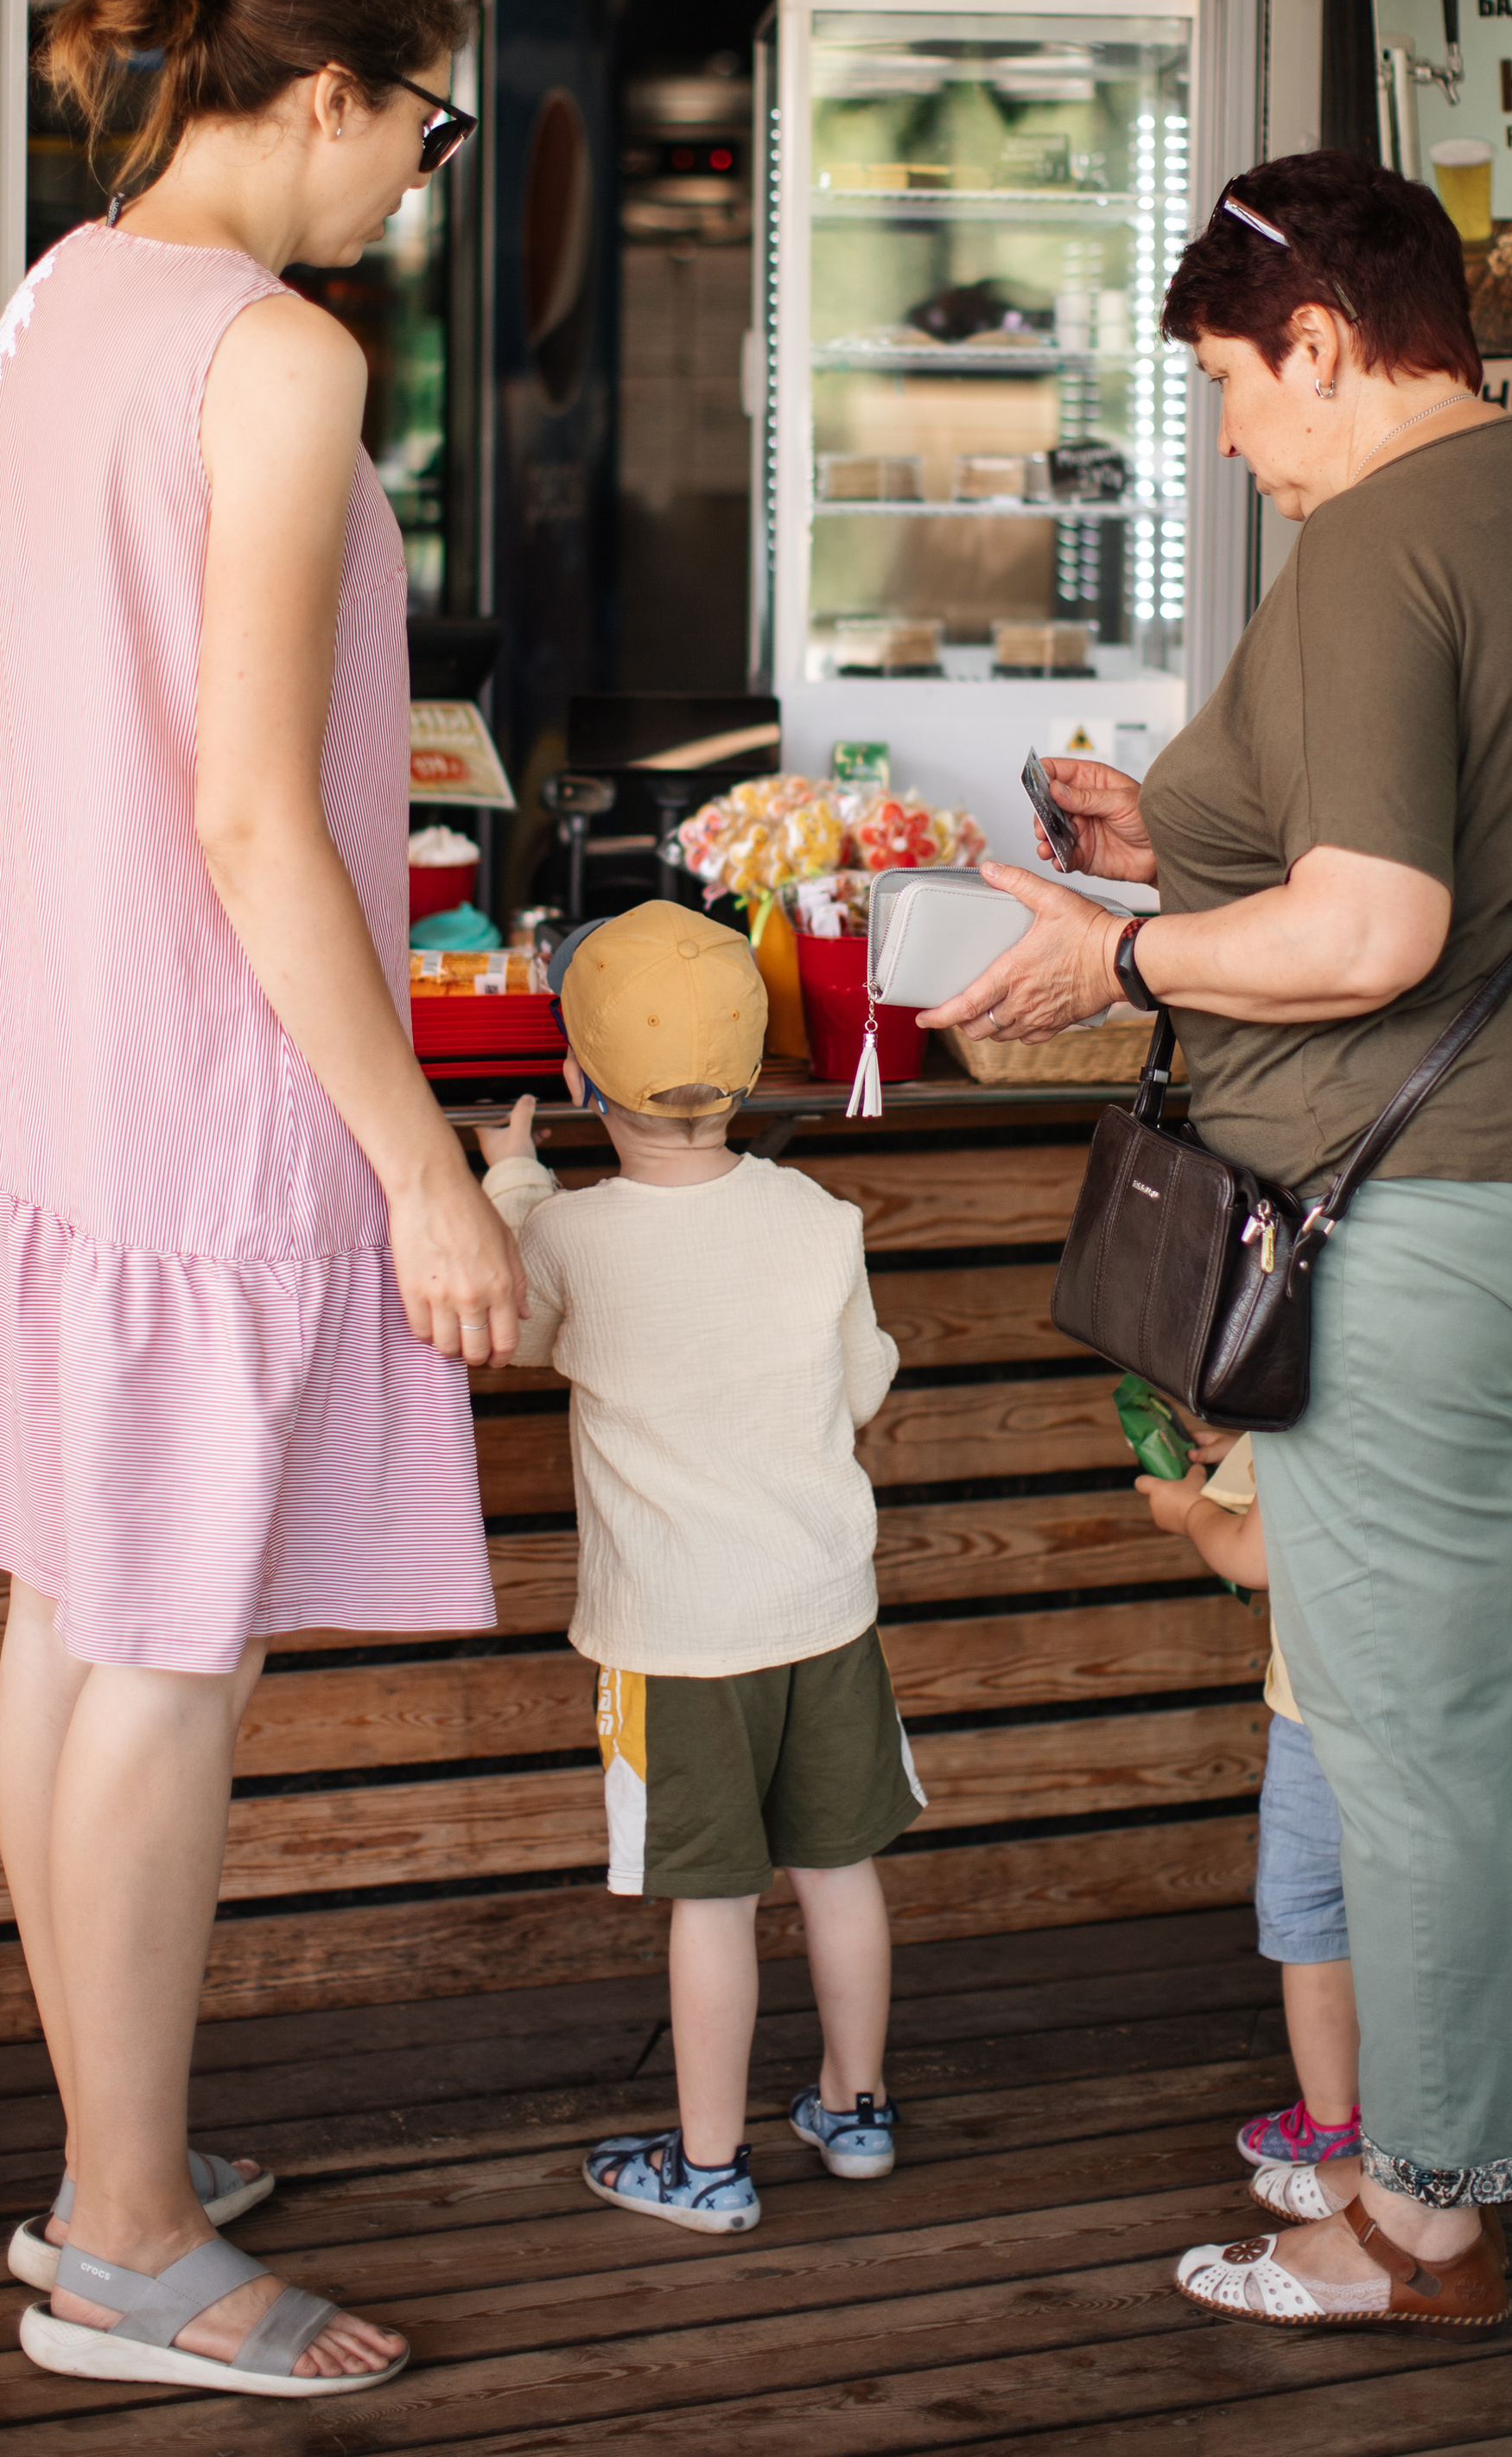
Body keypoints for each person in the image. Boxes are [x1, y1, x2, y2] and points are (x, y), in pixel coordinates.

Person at [0, 0, 525, 2403]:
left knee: (77, 1624)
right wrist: (421, 1164)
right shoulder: (283, 353)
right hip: (195, 1080)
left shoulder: (59, 297)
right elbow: (254, 813)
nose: (418, 184)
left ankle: (114, 2147)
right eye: (427, 129)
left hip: (37, 1053)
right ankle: (125, 2241)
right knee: (159, 1660)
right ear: (329, 96)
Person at [918, 148, 1512, 2332]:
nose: (1234, 444)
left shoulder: (1372, 546)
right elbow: (1496, 833)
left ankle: (1423, 2214)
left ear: (1325, 346)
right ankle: (1462, 2148)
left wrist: (1124, 956)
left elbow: (1372, 923)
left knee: (1406, 1726)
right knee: (1500, 1696)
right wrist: (1157, 842)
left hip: (1428, 1196)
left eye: (1232, 390)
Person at [474, 904, 923, 2234]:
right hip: (825, 1613)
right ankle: (855, 2111)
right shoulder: (819, 1217)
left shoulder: (572, 1239)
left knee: (712, 1903)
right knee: (841, 1872)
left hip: (677, 1642)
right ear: (754, 1066)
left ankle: (711, 2166)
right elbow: (859, 1390)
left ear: (574, 1080)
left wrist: (511, 1183)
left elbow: (516, 1327)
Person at [1136, 1428, 1360, 2185]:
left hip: (1322, 1712)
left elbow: (1254, 1556)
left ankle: (1335, 2128)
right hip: (1440, 1704)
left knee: (1311, 1910)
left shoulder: (1311, 1385)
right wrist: (1249, 1445)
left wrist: (1189, 1510)